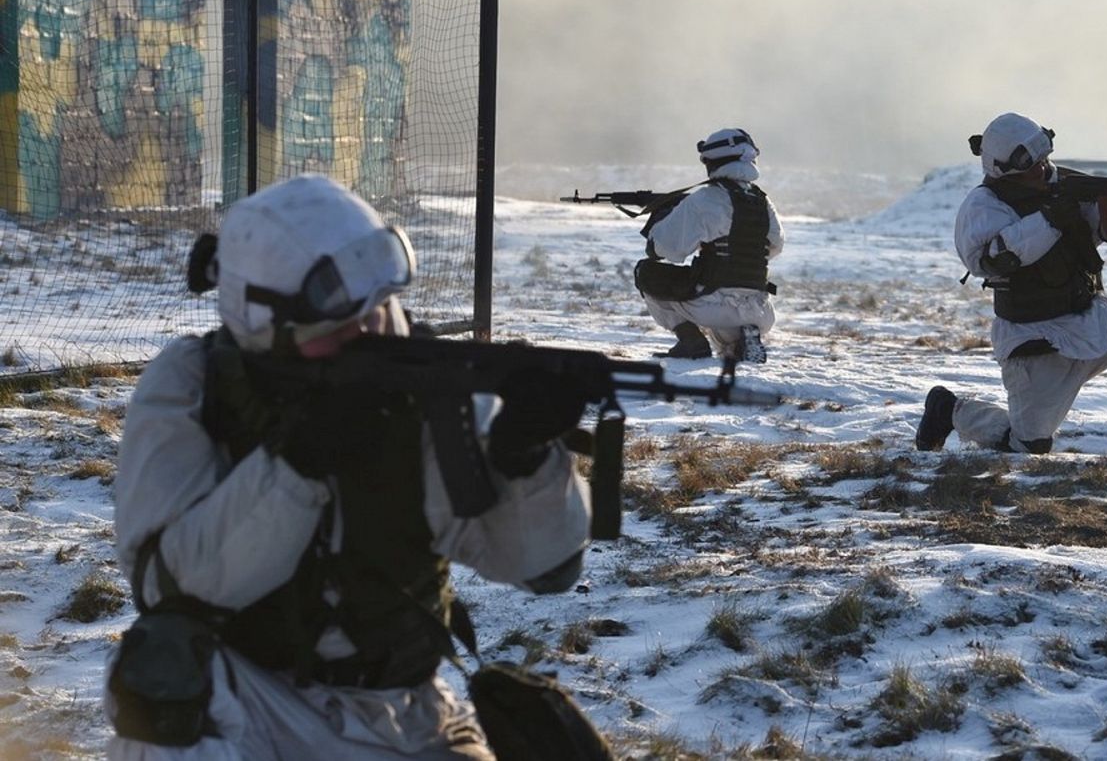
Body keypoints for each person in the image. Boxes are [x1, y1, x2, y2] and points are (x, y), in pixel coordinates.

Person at [104, 175, 595, 759]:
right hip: (253, 701)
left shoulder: (424, 385)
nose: (369, 333)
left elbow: (544, 569)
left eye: (377, 309)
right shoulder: (194, 383)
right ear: (264, 323)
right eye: (337, 325)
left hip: (406, 713)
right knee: (157, 684)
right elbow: (167, 589)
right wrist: (297, 468)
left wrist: (527, 460)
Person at [915, 112, 1107, 464]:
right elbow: (990, 260)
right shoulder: (983, 207)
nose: (1041, 169)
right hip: (1038, 341)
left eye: (1043, 158)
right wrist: (1049, 219)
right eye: (1030, 165)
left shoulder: (1062, 184)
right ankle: (949, 410)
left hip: (1094, 320)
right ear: (1003, 168)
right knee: (1029, 448)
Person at [632, 127, 784, 363]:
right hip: (760, 310)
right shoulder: (763, 202)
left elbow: (663, 249)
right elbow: (774, 246)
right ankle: (743, 338)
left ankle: (690, 341)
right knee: (727, 331)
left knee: (647, 273)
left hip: (711, 303)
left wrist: (664, 218)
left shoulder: (705, 199)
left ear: (712, 161)